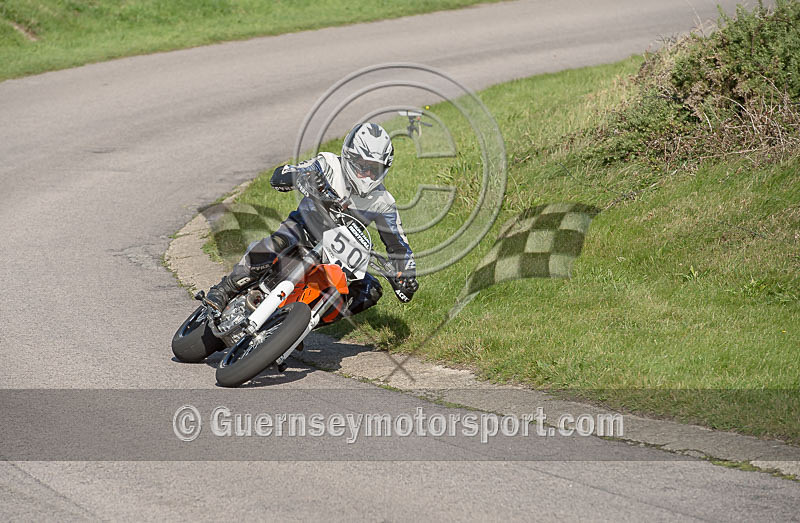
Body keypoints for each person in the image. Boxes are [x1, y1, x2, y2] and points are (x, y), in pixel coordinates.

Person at [205, 122, 418, 317]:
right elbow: (283, 174)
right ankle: (224, 290)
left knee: (370, 290)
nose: (367, 174)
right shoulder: (328, 164)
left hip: (339, 252)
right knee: (276, 243)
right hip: (302, 229)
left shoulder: (384, 202)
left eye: (375, 169)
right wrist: (298, 178)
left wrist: (406, 276)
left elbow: (399, 246)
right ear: (349, 156)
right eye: (363, 165)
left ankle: (300, 324)